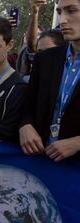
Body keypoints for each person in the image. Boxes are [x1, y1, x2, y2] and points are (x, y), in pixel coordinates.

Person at [19, 0, 80, 161]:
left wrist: (77, 143)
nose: (62, 20)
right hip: (41, 161)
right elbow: (28, 107)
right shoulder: (45, 59)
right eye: (59, 12)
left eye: (71, 11)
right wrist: (25, 126)